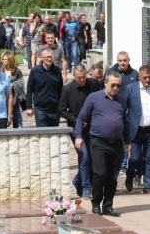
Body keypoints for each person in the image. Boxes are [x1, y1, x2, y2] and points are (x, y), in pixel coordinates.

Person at [75, 71, 131, 217]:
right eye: (113, 85)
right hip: (99, 142)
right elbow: (81, 117)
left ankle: (108, 206)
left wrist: (128, 141)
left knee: (113, 176)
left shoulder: (121, 100)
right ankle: (96, 203)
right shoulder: (94, 98)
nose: (115, 88)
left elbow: (125, 122)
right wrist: (79, 136)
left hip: (117, 143)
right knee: (100, 173)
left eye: (118, 85)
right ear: (105, 83)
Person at [124, 65, 150, 194]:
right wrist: (124, 129)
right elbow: (123, 110)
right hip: (135, 130)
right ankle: (130, 174)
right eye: (145, 78)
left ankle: (147, 186)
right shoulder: (130, 89)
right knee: (135, 158)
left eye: (149, 78)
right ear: (139, 77)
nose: (147, 80)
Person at [59, 64, 100, 199]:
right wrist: (77, 120)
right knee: (84, 156)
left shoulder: (93, 84)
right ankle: (86, 188)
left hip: (93, 126)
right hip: (77, 128)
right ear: (74, 76)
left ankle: (77, 180)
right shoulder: (67, 89)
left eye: (84, 77)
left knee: (93, 157)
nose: (82, 80)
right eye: (79, 78)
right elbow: (62, 110)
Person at [105, 51, 139, 176]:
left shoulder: (134, 74)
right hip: (115, 109)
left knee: (128, 138)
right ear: (117, 61)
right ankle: (119, 163)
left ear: (128, 60)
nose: (122, 63)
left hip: (130, 112)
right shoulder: (110, 72)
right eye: (120, 60)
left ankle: (124, 164)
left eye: (124, 60)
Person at [26, 48, 63, 127]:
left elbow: (61, 90)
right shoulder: (35, 71)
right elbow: (29, 90)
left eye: (50, 57)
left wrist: (62, 107)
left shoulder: (57, 71)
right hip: (40, 108)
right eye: (47, 57)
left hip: (54, 108)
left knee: (54, 135)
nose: (49, 59)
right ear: (42, 58)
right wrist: (29, 107)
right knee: (43, 135)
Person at [1, 51, 24, 129]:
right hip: (3, 96)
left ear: (10, 60)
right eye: (2, 59)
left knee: (16, 114)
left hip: (14, 97)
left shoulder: (17, 71)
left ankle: (18, 127)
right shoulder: (1, 71)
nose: (3, 61)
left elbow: (22, 82)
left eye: (5, 59)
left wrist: (13, 84)